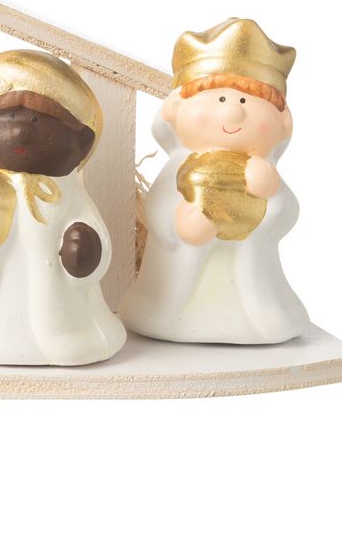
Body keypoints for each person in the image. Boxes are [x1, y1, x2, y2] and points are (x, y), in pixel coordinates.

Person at [0, 49, 125, 366]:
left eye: (37, 120)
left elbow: (92, 235)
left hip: (58, 308)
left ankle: (67, 338)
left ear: (81, 141)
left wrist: (84, 249)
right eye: (7, 118)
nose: (21, 130)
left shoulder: (67, 194)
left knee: (65, 326)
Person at [121, 18, 307, 344]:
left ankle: (253, 316)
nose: (233, 114)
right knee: (172, 298)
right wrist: (180, 223)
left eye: (246, 101)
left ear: (282, 122)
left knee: (259, 308)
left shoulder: (263, 169)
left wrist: (273, 194)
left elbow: (287, 218)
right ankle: (173, 312)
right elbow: (158, 208)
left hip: (249, 284)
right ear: (175, 109)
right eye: (220, 99)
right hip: (178, 284)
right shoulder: (179, 168)